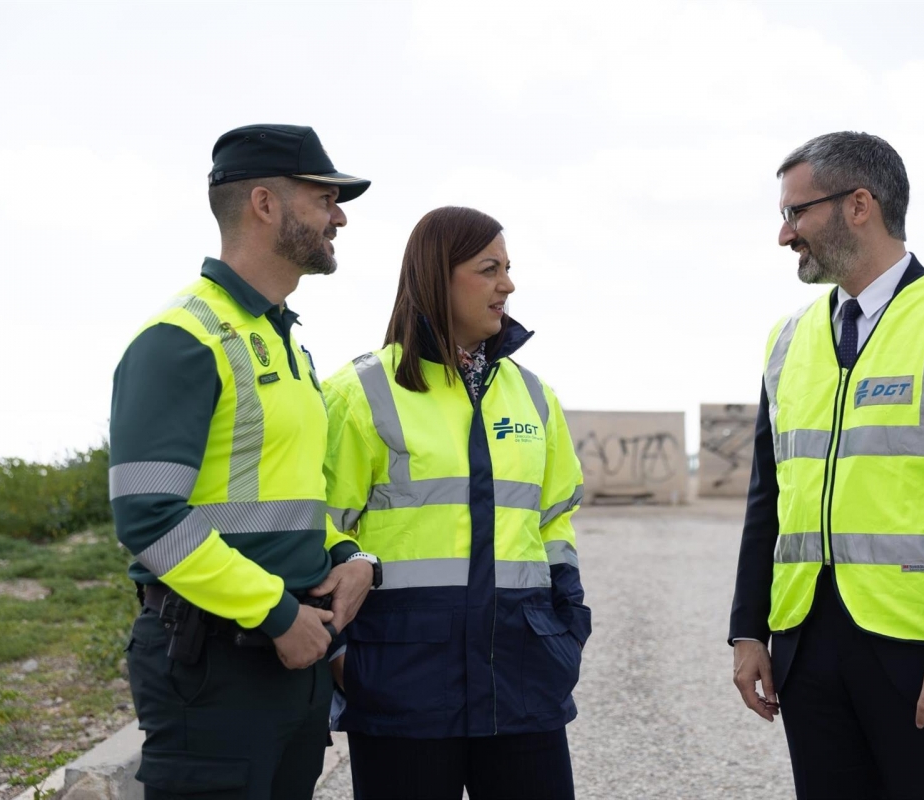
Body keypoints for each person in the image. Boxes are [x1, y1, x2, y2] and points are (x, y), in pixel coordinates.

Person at [728, 132, 924, 800]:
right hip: (808, 650)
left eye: (796, 213)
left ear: (859, 205)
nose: (785, 235)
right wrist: (748, 630)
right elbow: (768, 496)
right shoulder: (789, 339)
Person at [109, 123, 376, 800]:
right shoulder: (182, 338)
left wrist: (349, 556)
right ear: (264, 204)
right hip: (216, 664)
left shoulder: (285, 343)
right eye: (324, 199)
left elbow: (290, 500)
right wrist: (276, 614)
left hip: (293, 658)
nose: (339, 218)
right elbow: (147, 517)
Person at [321, 206, 589, 799]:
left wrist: (567, 628)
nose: (508, 285)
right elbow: (319, 525)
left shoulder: (534, 396)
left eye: (508, 268)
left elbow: (555, 523)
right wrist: (341, 657)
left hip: (523, 679)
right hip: (401, 686)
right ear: (436, 276)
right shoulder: (359, 394)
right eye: (489, 269)